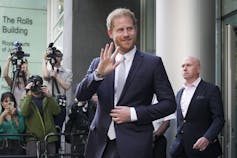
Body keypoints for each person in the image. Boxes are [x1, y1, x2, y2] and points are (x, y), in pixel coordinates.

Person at [74, 8, 176, 158]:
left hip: (136, 144)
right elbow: (81, 95)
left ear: (136, 29)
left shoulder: (152, 63)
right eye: (120, 29)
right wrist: (98, 74)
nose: (126, 34)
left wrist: (134, 113)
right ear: (111, 33)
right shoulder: (99, 63)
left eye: (130, 28)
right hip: (100, 145)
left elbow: (169, 104)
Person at [170, 56, 225, 158]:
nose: (185, 68)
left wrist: (207, 138)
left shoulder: (211, 90)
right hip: (179, 150)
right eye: (182, 66)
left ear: (198, 69)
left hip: (203, 150)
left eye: (188, 65)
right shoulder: (179, 93)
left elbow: (219, 119)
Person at [20, 75, 61, 157]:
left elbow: (57, 111)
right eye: (33, 86)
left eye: (38, 85)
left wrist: (50, 96)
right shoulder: (25, 100)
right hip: (33, 139)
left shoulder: (48, 99)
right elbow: (24, 112)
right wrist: (29, 94)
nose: (35, 87)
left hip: (49, 138)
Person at [42, 49, 73, 130]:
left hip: (60, 103)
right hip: (49, 101)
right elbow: (45, 76)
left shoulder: (67, 72)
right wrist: (44, 60)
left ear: (61, 58)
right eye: (55, 56)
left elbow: (67, 86)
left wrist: (56, 76)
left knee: (57, 129)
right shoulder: (49, 70)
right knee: (49, 128)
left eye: (58, 56)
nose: (56, 58)